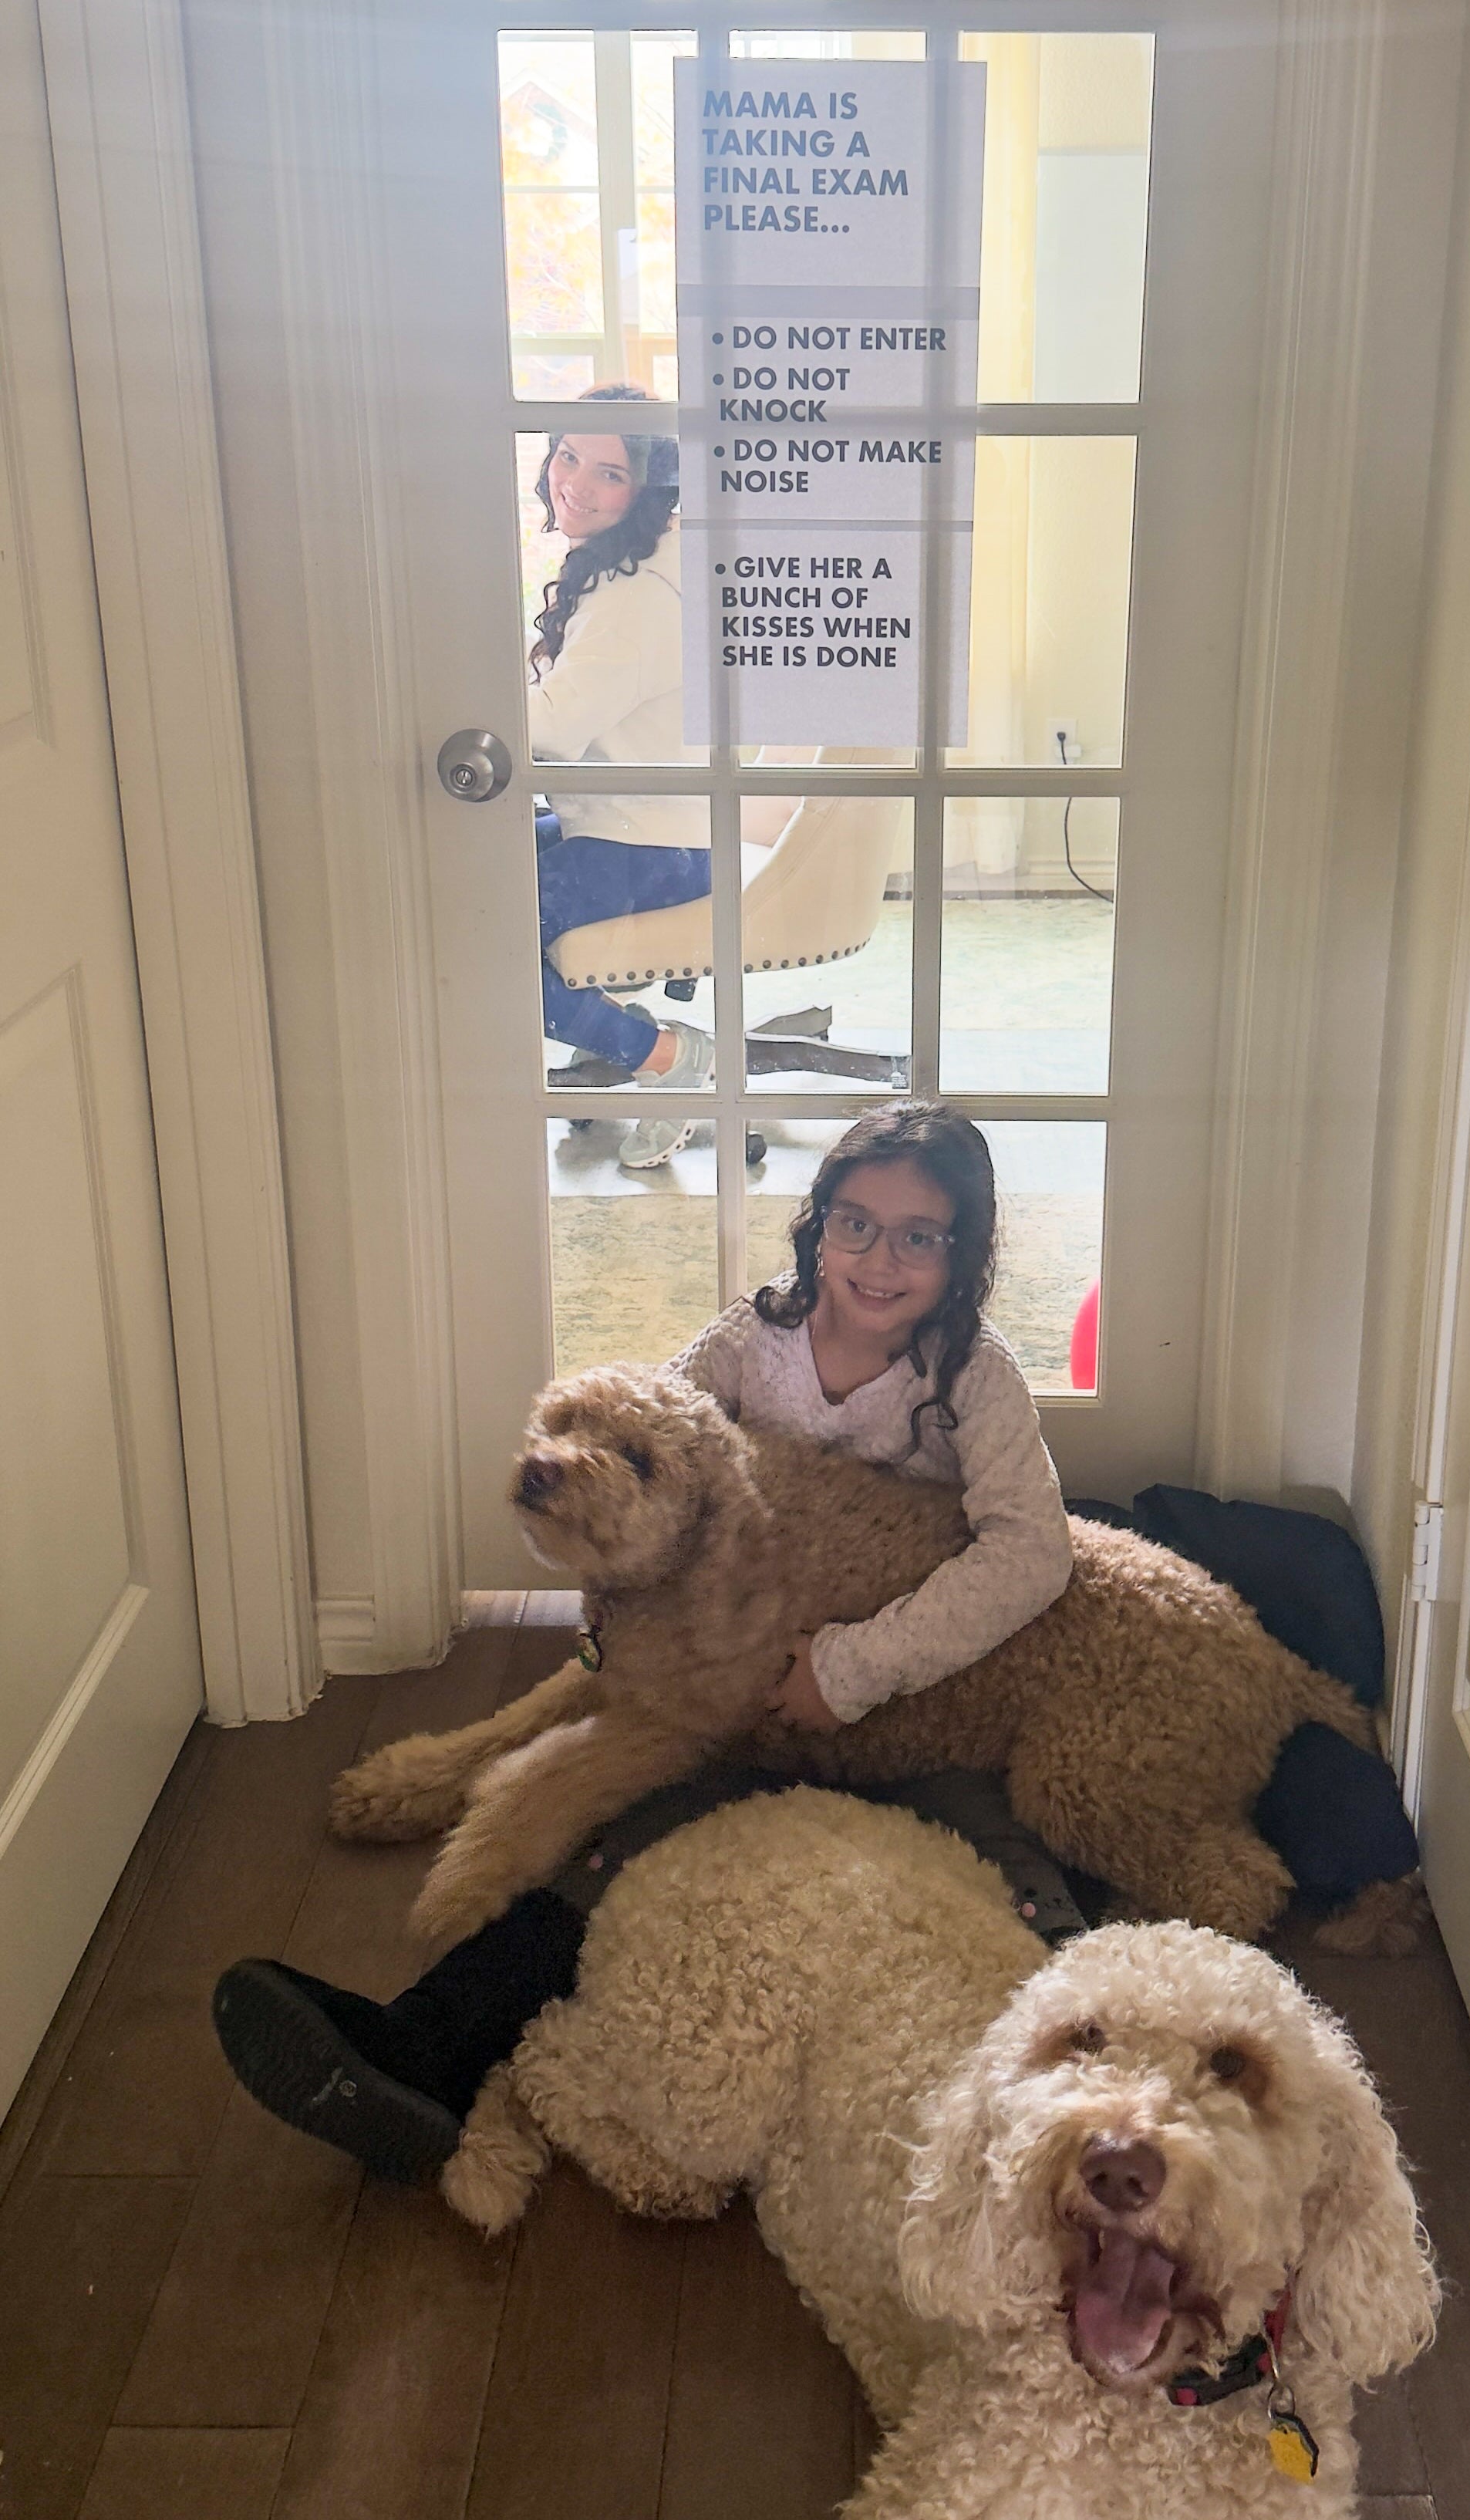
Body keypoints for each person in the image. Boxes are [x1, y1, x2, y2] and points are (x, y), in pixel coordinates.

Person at [212, 1105, 1086, 2181]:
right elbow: (635, 1475)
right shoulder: (742, 1346)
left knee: (997, 1853)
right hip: (729, 1689)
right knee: (608, 1831)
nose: (879, 1257)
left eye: (919, 1235)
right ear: (816, 1229)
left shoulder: (974, 1381)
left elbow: (1033, 1552)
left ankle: (1095, 2079)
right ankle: (422, 2048)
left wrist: (854, 1667)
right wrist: (621, 1622)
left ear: (964, 1253)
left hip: (918, 1698)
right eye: (855, 1223)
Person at [528, 381, 710, 1171]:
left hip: (647, 848)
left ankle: (664, 1056)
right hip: (636, 827)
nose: (574, 481)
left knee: (472, 934)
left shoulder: (639, 594)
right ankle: (599, 1015)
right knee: (457, 872)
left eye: (608, 472)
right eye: (568, 456)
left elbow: (554, 729)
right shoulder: (635, 563)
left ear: (647, 490)